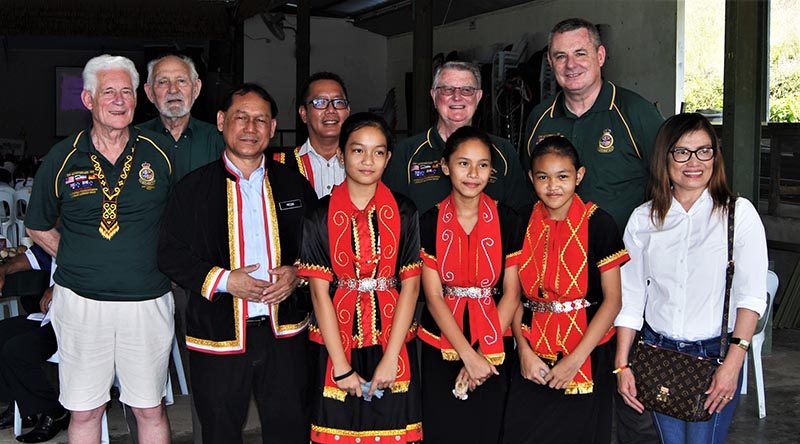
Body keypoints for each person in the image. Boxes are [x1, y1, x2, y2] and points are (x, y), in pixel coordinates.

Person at [26, 54, 174, 443]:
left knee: (149, 408)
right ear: (88, 100)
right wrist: (76, 256)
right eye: (109, 91)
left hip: (147, 301)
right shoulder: (62, 156)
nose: (119, 100)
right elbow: (37, 225)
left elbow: (184, 223)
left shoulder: (160, 153)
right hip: (80, 304)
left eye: (126, 91)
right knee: (86, 409)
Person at [158, 83, 316, 444]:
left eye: (260, 119)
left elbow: (317, 249)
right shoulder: (192, 189)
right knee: (220, 431)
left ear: (273, 128)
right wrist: (225, 281)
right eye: (240, 117)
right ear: (220, 121)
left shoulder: (294, 185)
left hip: (286, 334)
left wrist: (296, 274)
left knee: (290, 427)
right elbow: (169, 253)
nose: (250, 127)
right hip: (218, 335)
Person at [614, 113, 768, 444]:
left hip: (716, 356)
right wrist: (622, 365)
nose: (693, 162)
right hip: (658, 354)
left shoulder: (738, 215)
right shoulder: (644, 219)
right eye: (682, 152)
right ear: (664, 158)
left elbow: (751, 297)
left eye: (703, 151)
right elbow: (631, 297)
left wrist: (732, 365)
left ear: (715, 155)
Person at [297, 112, 423, 443]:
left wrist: (391, 358)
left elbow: (410, 286)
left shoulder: (405, 210)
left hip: (391, 337)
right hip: (336, 340)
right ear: (341, 154)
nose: (368, 161)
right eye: (358, 150)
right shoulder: (319, 214)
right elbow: (319, 293)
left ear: (388, 158)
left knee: (394, 431)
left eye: (378, 152)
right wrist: (340, 365)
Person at [503, 136, 629, 444]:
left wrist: (574, 361)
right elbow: (514, 295)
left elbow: (612, 302)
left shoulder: (599, 223)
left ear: (579, 176)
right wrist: (524, 351)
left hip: (586, 351)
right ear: (531, 178)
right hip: (533, 352)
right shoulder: (521, 220)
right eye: (543, 177)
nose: (553, 186)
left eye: (563, 177)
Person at [417, 126, 523, 444]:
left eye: (483, 165)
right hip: (441, 340)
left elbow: (513, 292)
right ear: (445, 166)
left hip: (494, 339)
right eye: (463, 164)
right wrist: (468, 354)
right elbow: (434, 296)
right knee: (443, 426)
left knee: (489, 427)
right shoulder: (429, 221)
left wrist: (483, 352)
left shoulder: (509, 220)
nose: (473, 173)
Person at [522, 18, 664, 234]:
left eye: (580, 53)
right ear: (550, 62)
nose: (570, 65)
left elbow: (670, 182)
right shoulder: (540, 117)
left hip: (625, 258)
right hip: (558, 255)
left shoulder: (637, 112)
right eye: (561, 56)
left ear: (600, 56)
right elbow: (529, 186)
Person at [383, 61, 531, 215]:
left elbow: (520, 216)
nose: (457, 97)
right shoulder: (406, 152)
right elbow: (391, 216)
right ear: (434, 96)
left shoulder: (503, 151)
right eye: (448, 89)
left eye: (467, 90)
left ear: (478, 97)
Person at [0, 245, 65, 443]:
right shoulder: (53, 237)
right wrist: (2, 270)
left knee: (17, 351)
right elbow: (31, 258)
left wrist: (59, 286)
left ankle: (55, 412)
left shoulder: (89, 233)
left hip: (76, 322)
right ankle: (22, 407)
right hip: (50, 317)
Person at [140, 54, 224, 183]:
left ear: (196, 89)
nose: (173, 90)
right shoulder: (135, 139)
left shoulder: (218, 139)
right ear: (150, 92)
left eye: (181, 81)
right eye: (162, 82)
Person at [273, 71, 350, 197]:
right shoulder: (280, 164)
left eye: (339, 102)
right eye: (319, 102)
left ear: (348, 111)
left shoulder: (365, 162)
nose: (331, 110)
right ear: (304, 114)